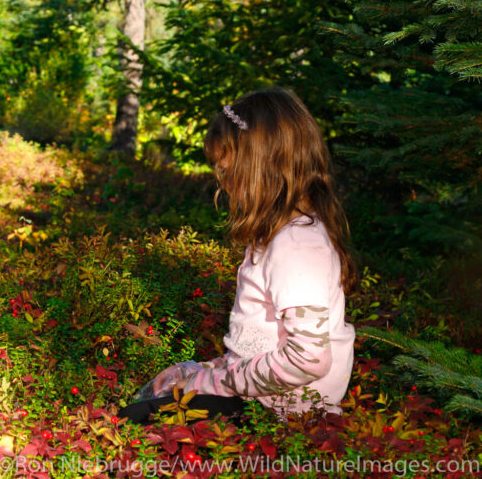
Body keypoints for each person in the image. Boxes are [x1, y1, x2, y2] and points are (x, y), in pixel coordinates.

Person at [122, 88, 356, 422]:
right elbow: (258, 350)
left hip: (278, 412)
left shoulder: (297, 246)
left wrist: (209, 382)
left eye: (231, 174)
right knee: (151, 399)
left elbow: (308, 359)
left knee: (132, 419)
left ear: (267, 168)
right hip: (263, 399)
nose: (226, 186)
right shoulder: (283, 235)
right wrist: (203, 370)